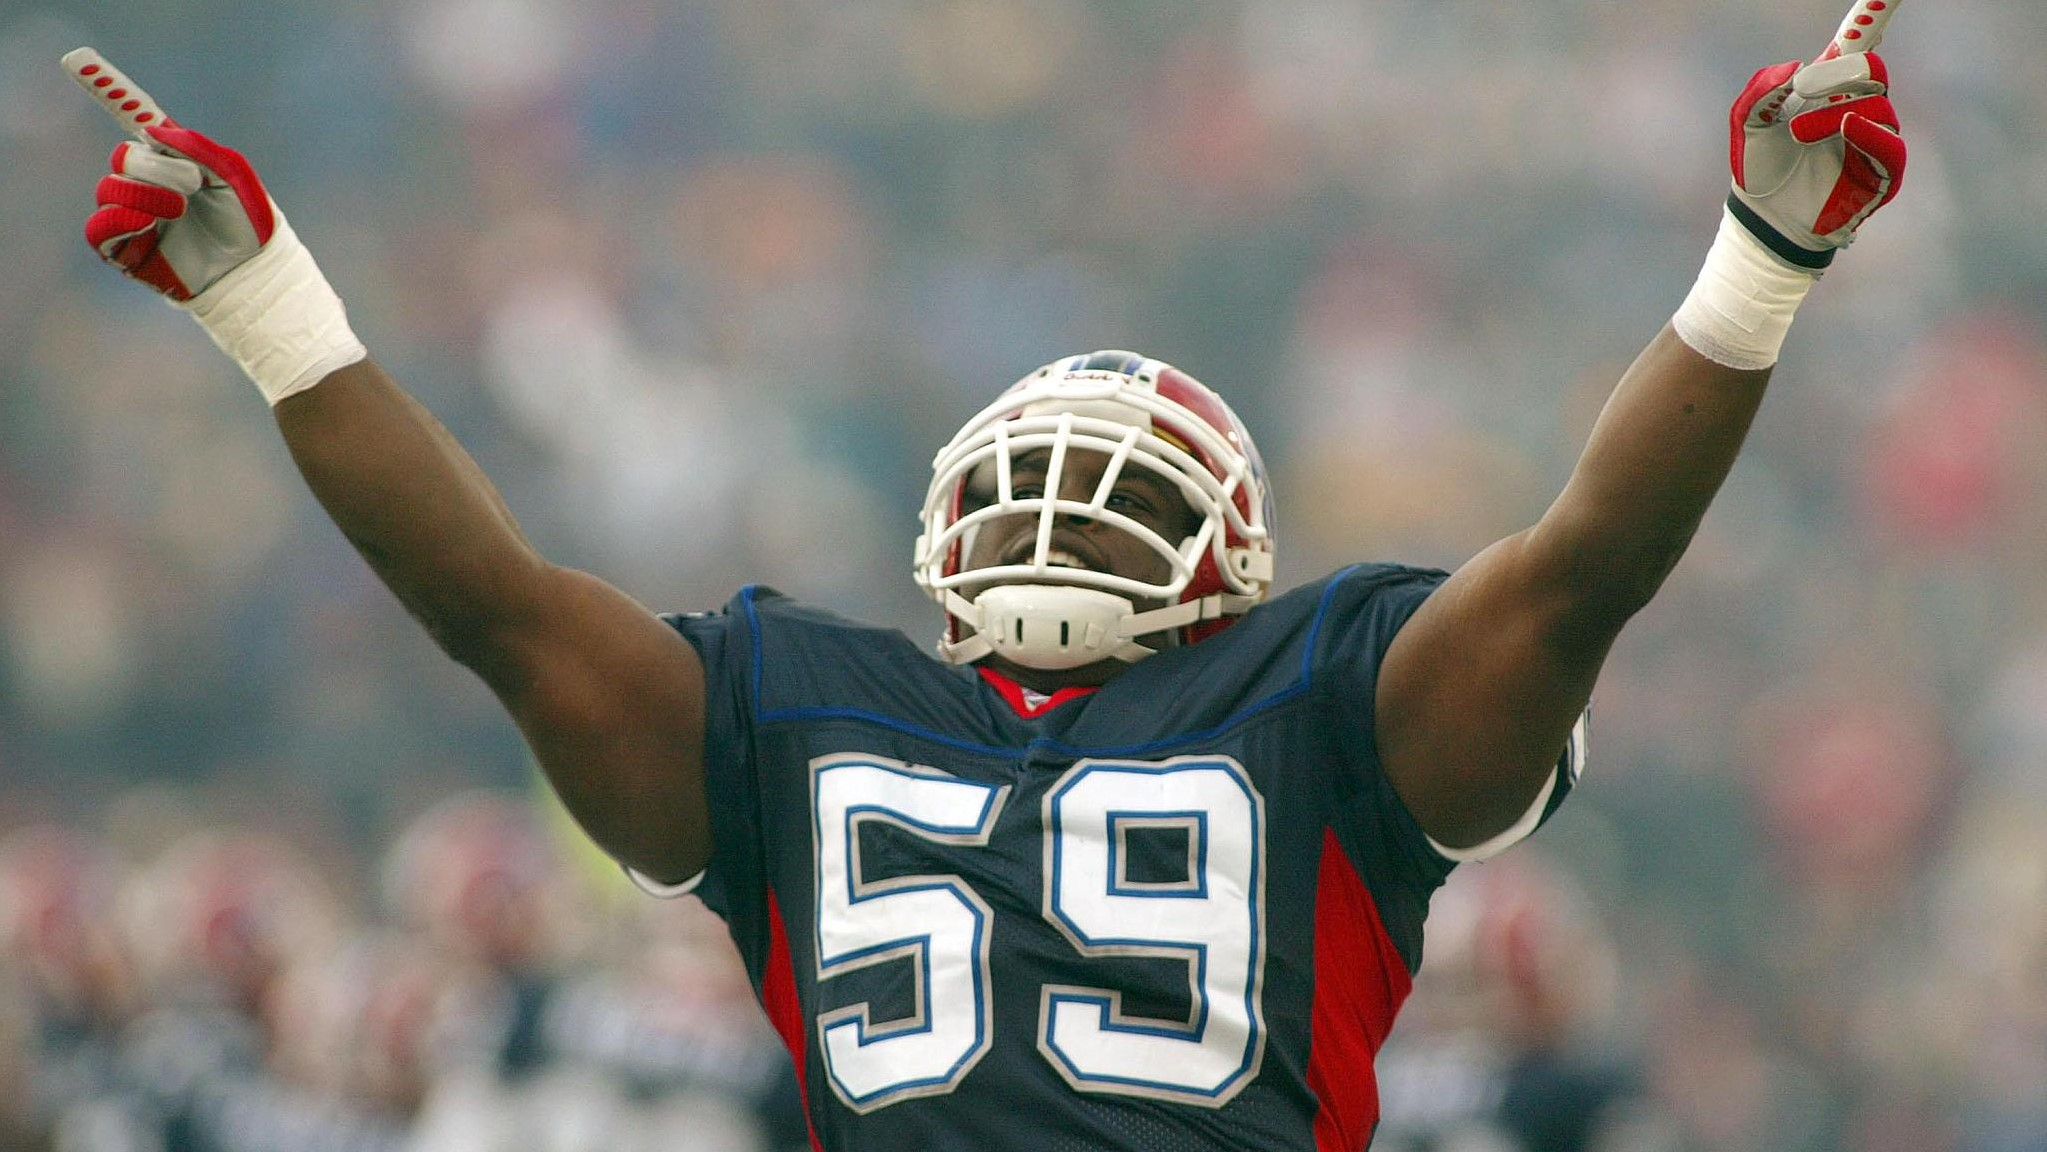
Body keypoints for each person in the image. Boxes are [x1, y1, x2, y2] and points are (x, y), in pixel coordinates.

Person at [70, 8, 1906, 1149]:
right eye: (1053, 495)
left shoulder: (797, 708)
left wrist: (268, 305)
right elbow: (1587, 573)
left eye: (1104, 502)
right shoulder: (1315, 693)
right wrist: (1756, 261)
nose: (1064, 525)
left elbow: (489, 599)